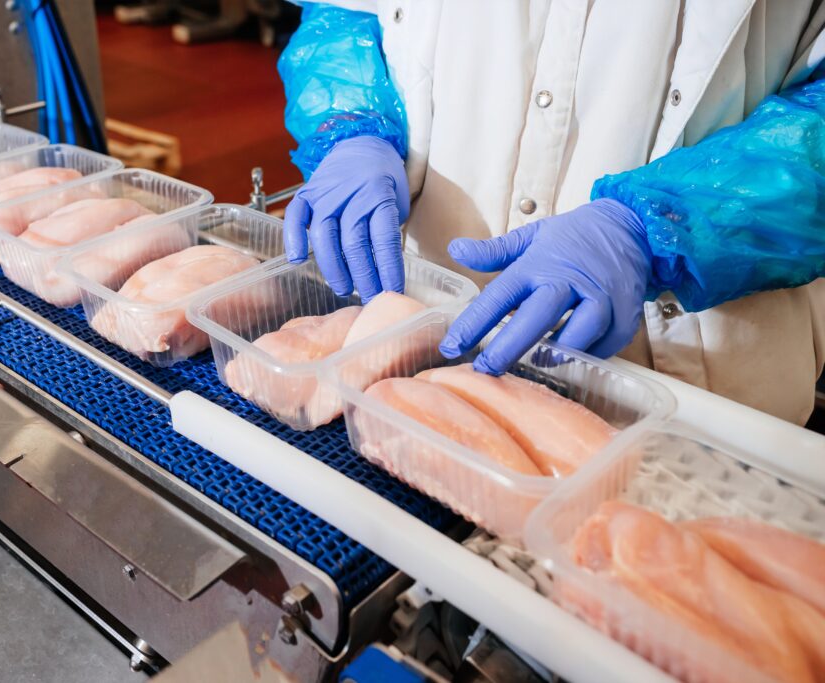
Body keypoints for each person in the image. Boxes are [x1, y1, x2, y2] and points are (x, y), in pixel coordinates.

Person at [278, 1, 825, 424]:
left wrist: (658, 226)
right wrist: (353, 127)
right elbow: (344, 14)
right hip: (426, 311)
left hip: (690, 371)